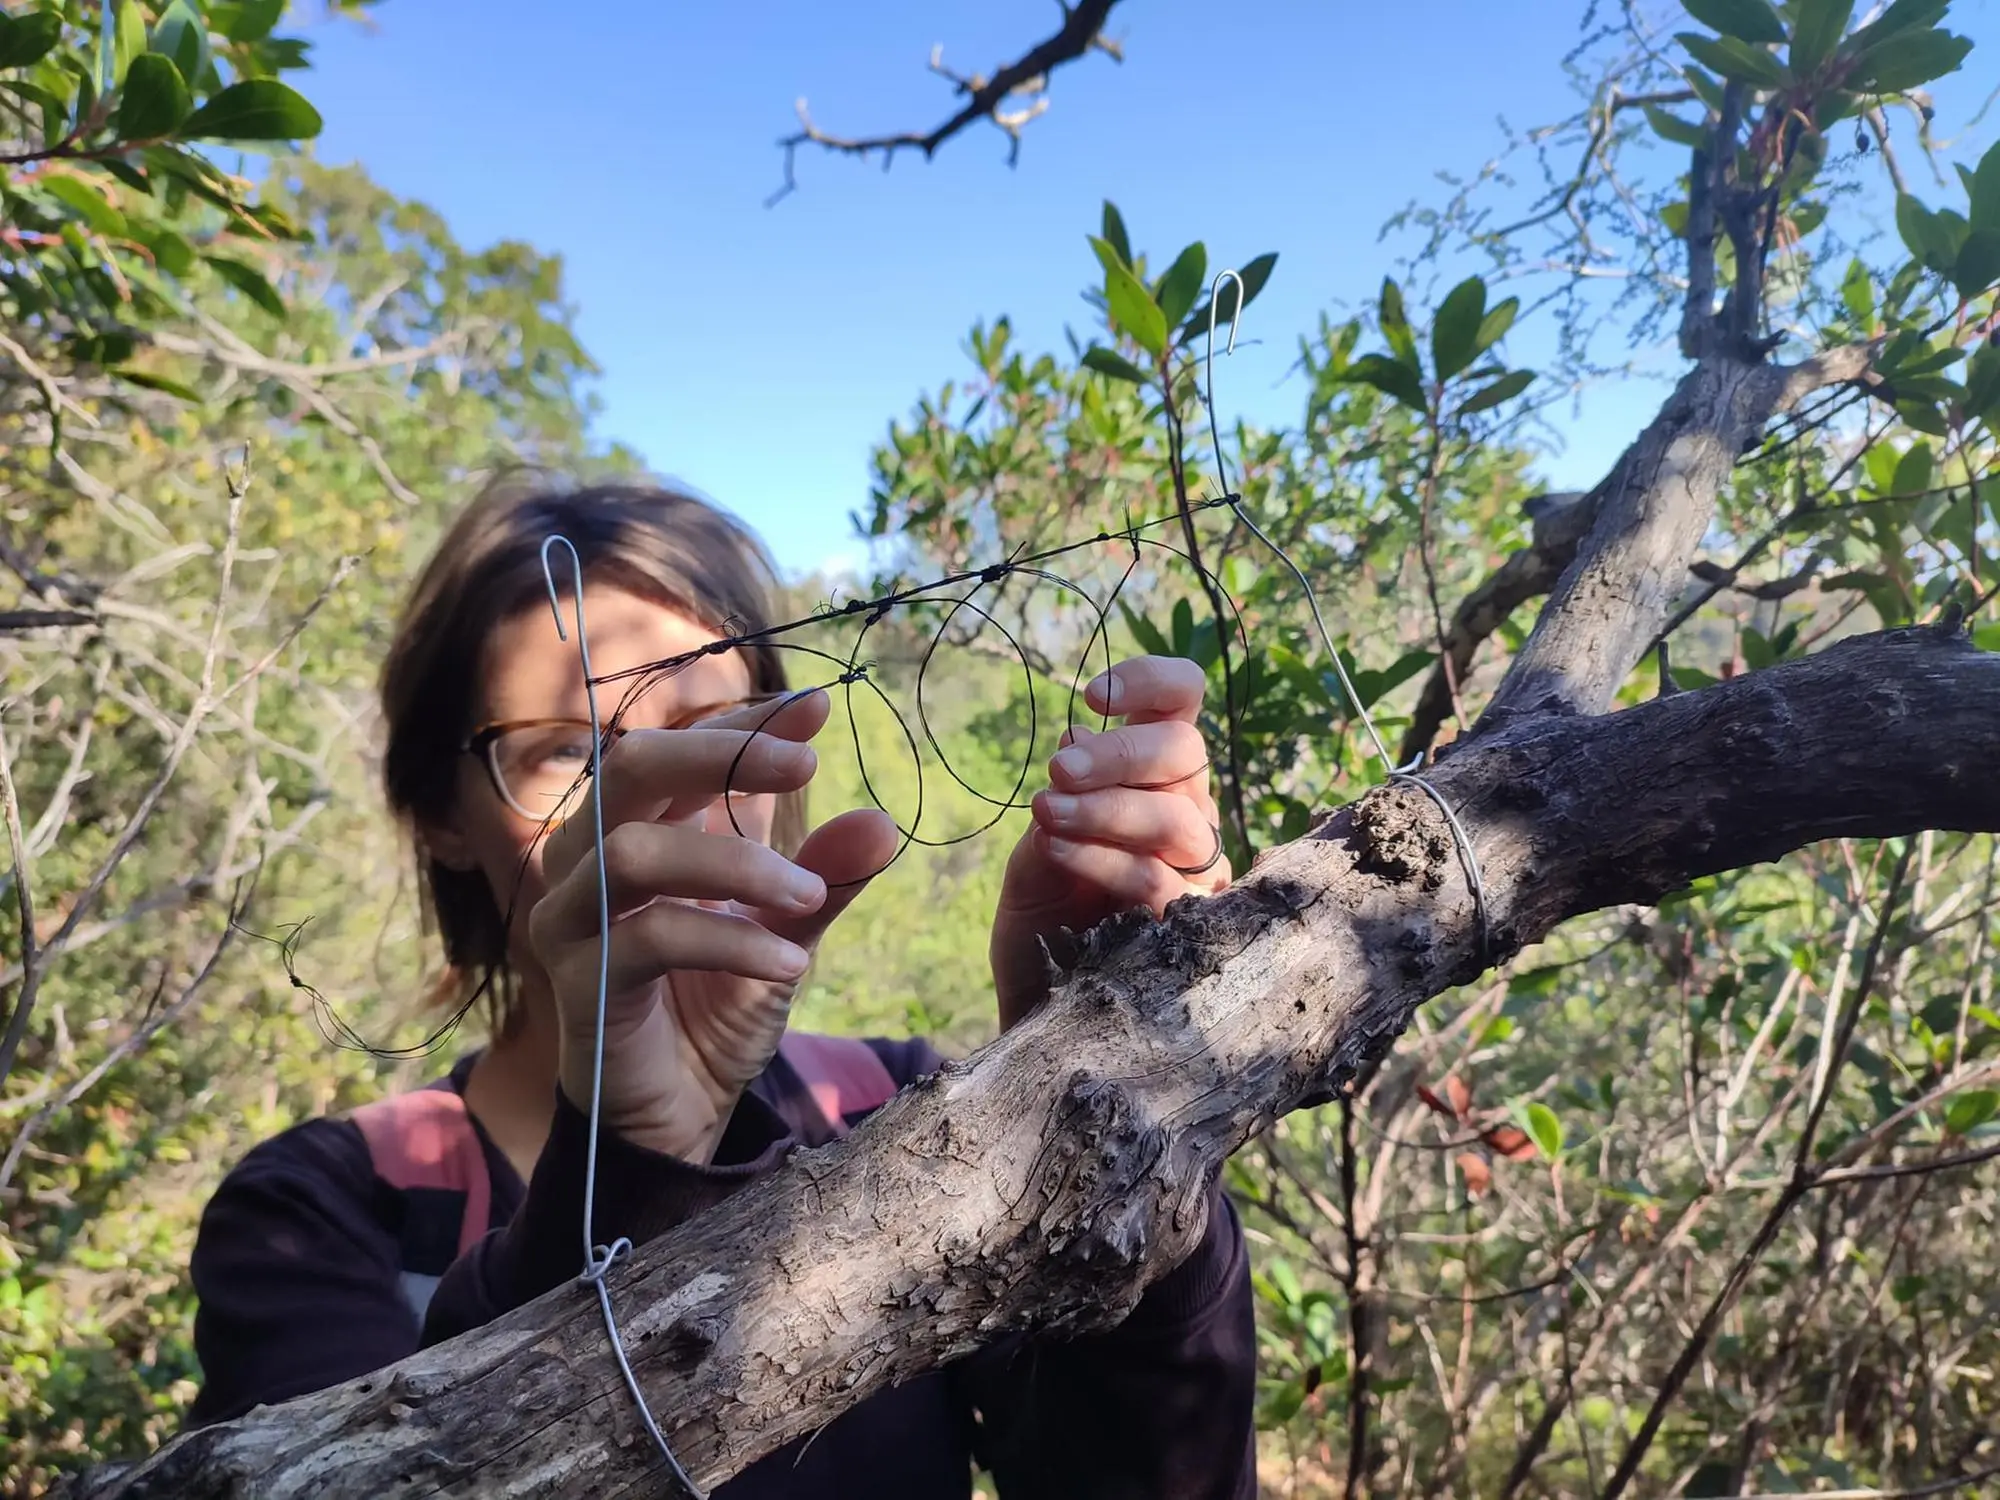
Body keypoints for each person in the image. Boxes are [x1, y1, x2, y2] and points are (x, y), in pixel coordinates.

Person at [184, 477, 1258, 1497]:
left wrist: (1098, 1093)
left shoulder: (891, 1118)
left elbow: (1132, 1474)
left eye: (718, 737)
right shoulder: (324, 1215)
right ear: (439, 816)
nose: (662, 799)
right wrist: (630, 1173)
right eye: (567, 747)